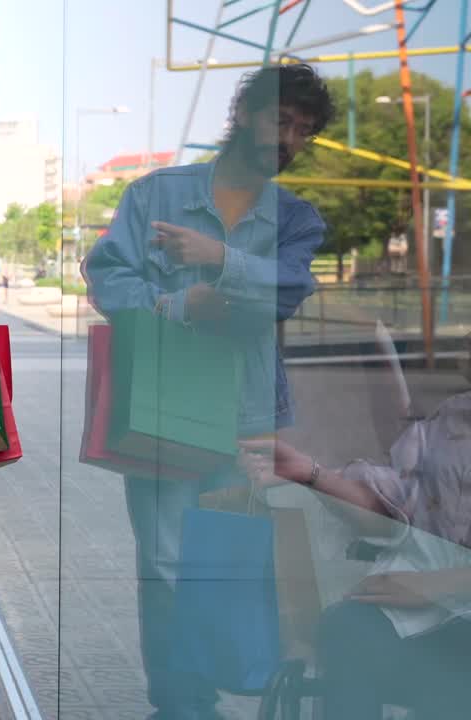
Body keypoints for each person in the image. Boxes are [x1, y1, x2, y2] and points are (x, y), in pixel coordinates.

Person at [84, 63, 335, 719]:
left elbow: (288, 291)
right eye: (280, 120)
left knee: (233, 558)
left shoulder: (298, 219)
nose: (289, 138)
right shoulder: (154, 196)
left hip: (247, 413)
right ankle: (181, 706)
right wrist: (181, 304)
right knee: (166, 562)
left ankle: (227, 683)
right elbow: (109, 282)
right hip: (161, 406)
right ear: (244, 114)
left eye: (302, 131)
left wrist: (220, 260)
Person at [240, 389, 471, 719]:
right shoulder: (452, 419)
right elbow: (391, 508)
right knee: (347, 627)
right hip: (426, 612)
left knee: (457, 670)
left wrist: (439, 585)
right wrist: (310, 473)